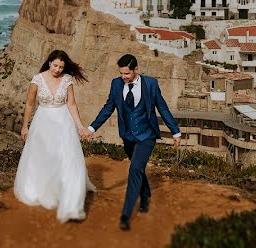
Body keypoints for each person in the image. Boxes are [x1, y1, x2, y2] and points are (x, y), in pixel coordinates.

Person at [84, 54, 181, 230]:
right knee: (138, 167)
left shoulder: (151, 84)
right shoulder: (116, 84)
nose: (123, 77)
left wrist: (175, 132)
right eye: (121, 73)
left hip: (147, 135)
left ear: (136, 70)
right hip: (128, 136)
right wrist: (92, 128)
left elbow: (163, 107)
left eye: (127, 74)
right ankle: (145, 195)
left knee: (135, 169)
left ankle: (126, 215)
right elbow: (108, 108)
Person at [13, 50, 96, 222]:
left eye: (61, 67)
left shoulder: (67, 80)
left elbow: (71, 104)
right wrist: (25, 126)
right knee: (43, 157)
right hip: (42, 122)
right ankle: (44, 189)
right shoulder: (37, 79)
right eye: (55, 65)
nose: (58, 69)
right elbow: (29, 103)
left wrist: (80, 127)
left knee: (66, 156)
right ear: (50, 62)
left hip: (63, 121)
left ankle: (67, 194)